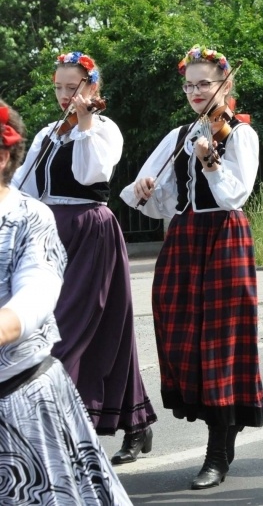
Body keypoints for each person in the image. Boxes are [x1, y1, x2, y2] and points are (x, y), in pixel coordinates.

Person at [120, 45, 263, 489]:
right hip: (183, 239)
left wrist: (211, 166)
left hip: (223, 237)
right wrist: (145, 188)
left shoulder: (240, 134)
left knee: (220, 342)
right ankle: (222, 421)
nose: (196, 92)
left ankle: (218, 450)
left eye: (205, 83)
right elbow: (154, 198)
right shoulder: (179, 134)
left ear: (225, 83)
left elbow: (234, 196)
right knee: (178, 332)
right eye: (190, 85)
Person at [12, 51, 156, 464]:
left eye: (71, 87)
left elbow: (92, 174)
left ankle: (57, 433)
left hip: (90, 231)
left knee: (65, 332)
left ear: (92, 87)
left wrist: (86, 122)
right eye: (58, 87)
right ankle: (136, 422)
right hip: (48, 235)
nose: (63, 95)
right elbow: (26, 187)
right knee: (108, 329)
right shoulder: (47, 134)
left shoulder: (103, 130)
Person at [0, 99, 132, 505]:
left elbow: (36, 293)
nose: (63, 96)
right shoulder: (48, 135)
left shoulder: (28, 218)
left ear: (2, 155)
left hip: (19, 402)